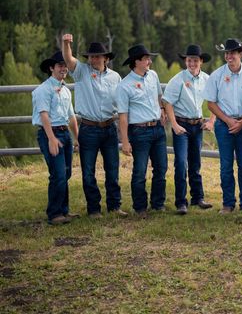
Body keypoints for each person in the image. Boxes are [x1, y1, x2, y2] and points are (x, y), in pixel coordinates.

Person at [61, 34, 126, 218]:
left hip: (109, 127)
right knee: (88, 172)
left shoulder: (115, 77)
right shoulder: (81, 72)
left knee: (112, 170)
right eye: (91, 56)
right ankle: (94, 208)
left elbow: (121, 103)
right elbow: (68, 59)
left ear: (106, 58)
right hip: (88, 129)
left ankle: (114, 206)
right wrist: (66, 43)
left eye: (97, 56)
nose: (93, 59)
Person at [204, 38, 242, 214]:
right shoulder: (217, 75)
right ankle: (228, 203)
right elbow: (210, 103)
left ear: (240, 54)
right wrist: (228, 120)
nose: (229, 56)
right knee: (226, 165)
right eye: (227, 53)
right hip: (223, 125)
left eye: (233, 53)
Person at [116, 44, 167, 217]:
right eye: (146, 59)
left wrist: (162, 109)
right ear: (136, 62)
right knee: (140, 170)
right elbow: (123, 116)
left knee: (161, 168)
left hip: (158, 129)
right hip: (139, 131)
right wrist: (125, 141)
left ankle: (158, 203)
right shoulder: (125, 86)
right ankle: (140, 207)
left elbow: (159, 96)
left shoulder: (153, 75)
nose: (149, 61)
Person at [162, 44, 215, 215]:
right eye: (189, 60)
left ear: (201, 62)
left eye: (195, 60)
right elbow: (167, 102)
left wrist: (212, 121)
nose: (192, 63)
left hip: (198, 125)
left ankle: (197, 198)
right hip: (181, 125)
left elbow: (215, 101)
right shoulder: (177, 80)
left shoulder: (207, 79)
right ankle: (180, 202)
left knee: (196, 163)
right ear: (186, 61)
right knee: (181, 163)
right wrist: (174, 125)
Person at [32, 51, 80, 225]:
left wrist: (76, 137)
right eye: (60, 65)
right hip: (49, 133)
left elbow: (71, 116)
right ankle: (54, 213)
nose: (64, 68)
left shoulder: (65, 90)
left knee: (65, 173)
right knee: (58, 174)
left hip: (64, 133)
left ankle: (63, 210)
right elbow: (44, 115)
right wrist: (51, 138)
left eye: (65, 65)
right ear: (51, 68)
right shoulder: (43, 90)